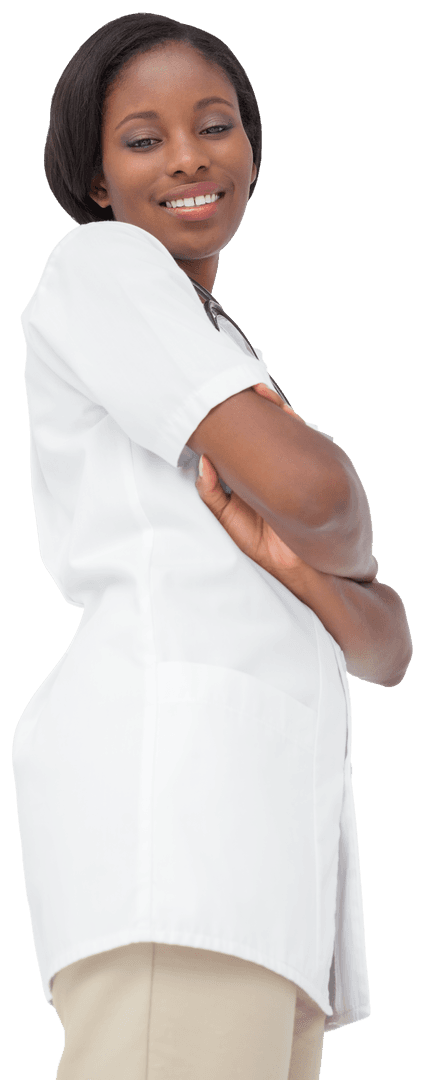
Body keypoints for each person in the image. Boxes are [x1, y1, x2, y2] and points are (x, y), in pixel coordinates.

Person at [12, 12, 412, 1080]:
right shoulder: (103, 268)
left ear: (252, 146)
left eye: (214, 125)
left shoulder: (221, 351)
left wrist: (290, 560)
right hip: (177, 825)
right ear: (93, 177)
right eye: (141, 139)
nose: (188, 157)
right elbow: (318, 491)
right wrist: (315, 521)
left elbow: (385, 649)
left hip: (260, 865)